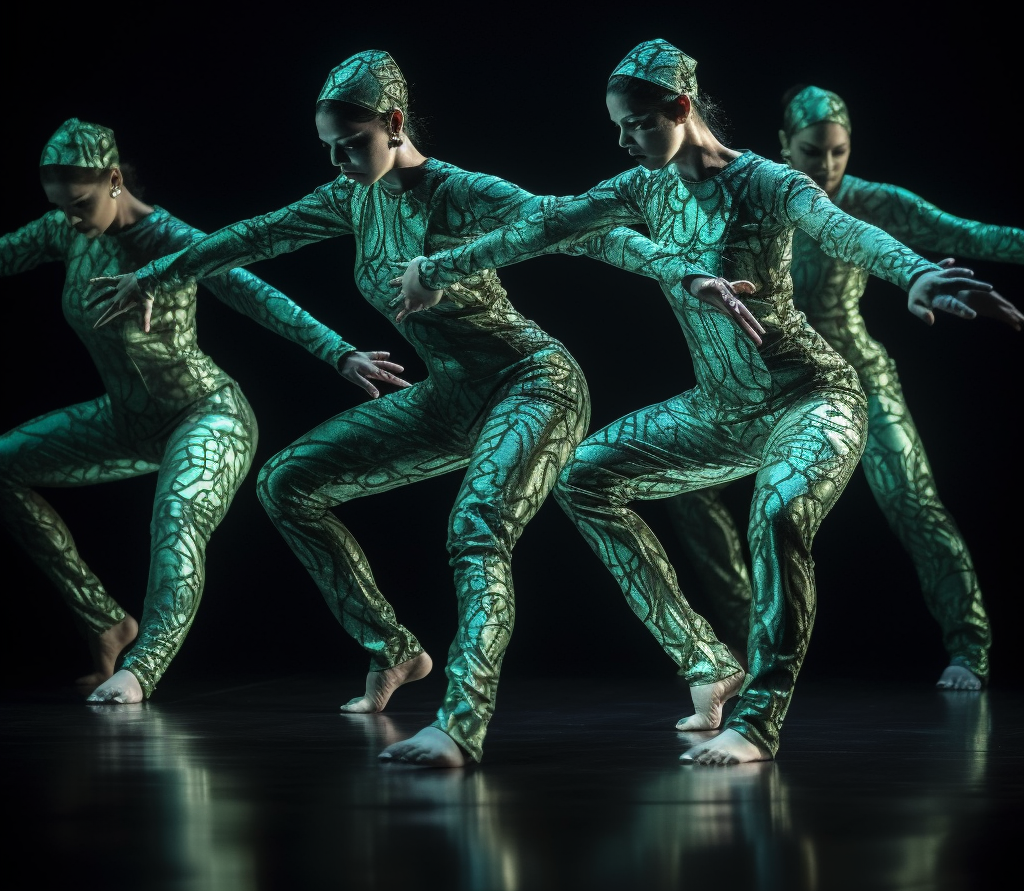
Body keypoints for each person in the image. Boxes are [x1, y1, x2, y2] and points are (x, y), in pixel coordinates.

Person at [89, 51, 736, 766]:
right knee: (287, 484)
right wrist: (157, 270)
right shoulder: (349, 197)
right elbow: (252, 235)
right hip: (452, 395)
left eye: (352, 145)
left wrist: (686, 273)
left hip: (533, 383)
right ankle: (393, 648)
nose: (339, 161)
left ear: (393, 124)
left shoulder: (456, 191)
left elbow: (576, 227)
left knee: (476, 529)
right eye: (328, 149)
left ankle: (461, 725)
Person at [390, 39, 996, 764]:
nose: (624, 138)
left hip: (812, 397)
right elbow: (544, 225)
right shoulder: (643, 187)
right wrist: (437, 266)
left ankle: (759, 723)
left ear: (681, 108)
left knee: (778, 515)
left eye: (637, 122)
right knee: (583, 476)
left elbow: (844, 228)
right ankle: (707, 661)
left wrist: (915, 273)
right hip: (719, 409)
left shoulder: (766, 181)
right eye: (618, 125)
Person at [662, 85, 1023, 691]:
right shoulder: (756, 189)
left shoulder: (871, 202)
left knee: (913, 501)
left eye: (838, 152)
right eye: (811, 151)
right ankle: (751, 635)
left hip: (858, 371)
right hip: (777, 379)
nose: (826, 167)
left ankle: (970, 647)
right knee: (685, 489)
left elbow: (971, 236)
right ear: (784, 145)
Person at [1, 118, 367, 703]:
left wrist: (340, 352)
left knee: (176, 519)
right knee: (4, 464)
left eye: (78, 204)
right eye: (59, 206)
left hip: (206, 416)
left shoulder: (170, 238)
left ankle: (141, 668)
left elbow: (255, 293)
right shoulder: (65, 231)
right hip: (125, 421)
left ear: (114, 179)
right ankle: (104, 619)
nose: (69, 217)